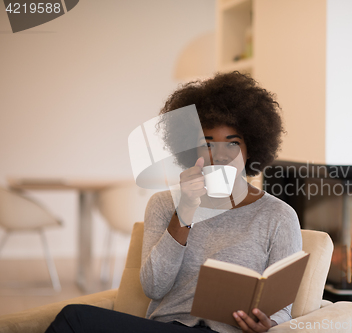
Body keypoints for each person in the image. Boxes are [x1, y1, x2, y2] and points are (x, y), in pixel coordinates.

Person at [45, 72, 302, 333]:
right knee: (72, 318)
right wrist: (186, 209)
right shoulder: (165, 204)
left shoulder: (278, 216)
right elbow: (154, 287)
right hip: (167, 326)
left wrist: (270, 324)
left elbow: (282, 307)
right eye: (208, 144)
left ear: (250, 150)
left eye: (232, 144)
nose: (220, 155)